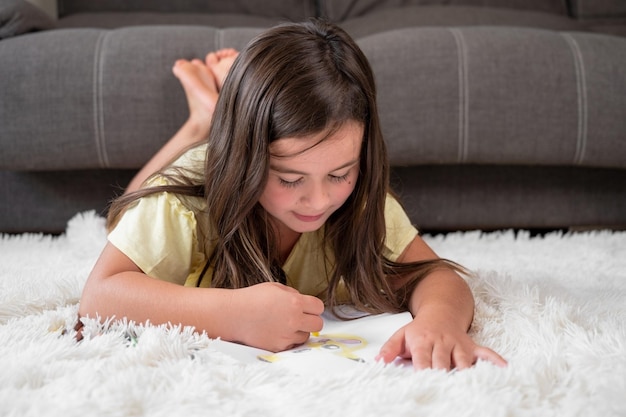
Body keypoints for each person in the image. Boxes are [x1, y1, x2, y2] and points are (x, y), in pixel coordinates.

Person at [78, 20, 507, 370]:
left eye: (339, 173)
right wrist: (232, 315)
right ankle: (202, 121)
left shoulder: (358, 202)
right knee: (123, 213)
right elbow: (99, 296)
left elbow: (436, 276)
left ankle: (220, 108)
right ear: (244, 157)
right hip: (192, 180)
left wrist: (438, 322)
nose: (318, 201)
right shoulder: (182, 202)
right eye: (289, 179)